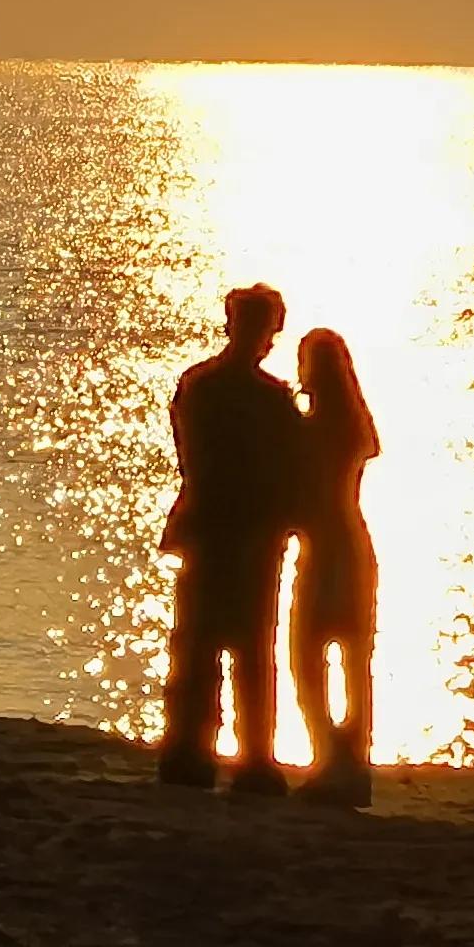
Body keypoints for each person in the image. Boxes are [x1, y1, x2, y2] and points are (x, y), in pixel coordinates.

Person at [158, 282, 304, 792]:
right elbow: (289, 465)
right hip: (249, 530)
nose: (268, 339)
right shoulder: (268, 397)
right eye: (267, 329)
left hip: (208, 524)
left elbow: (187, 453)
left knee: (199, 641)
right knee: (247, 645)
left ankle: (189, 750)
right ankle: (252, 759)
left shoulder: (198, 384)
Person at [288, 326, 382, 804]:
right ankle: (352, 761)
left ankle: (330, 755)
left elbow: (301, 488)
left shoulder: (312, 428)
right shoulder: (353, 425)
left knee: (309, 658)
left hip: (325, 550)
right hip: (354, 544)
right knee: (352, 660)